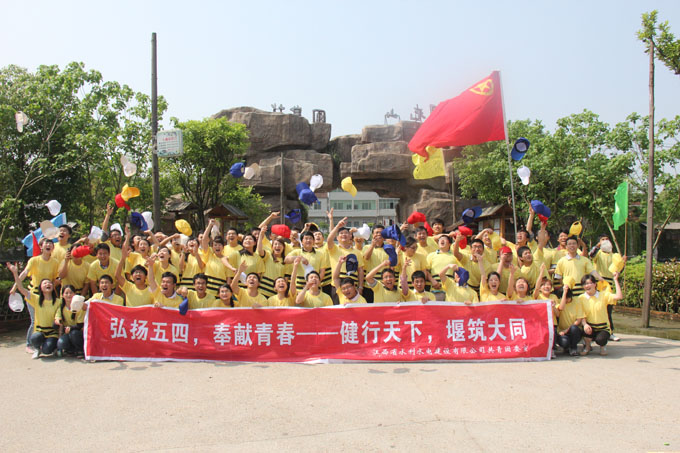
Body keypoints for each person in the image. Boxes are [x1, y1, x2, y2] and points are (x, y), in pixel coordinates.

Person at [13, 237, 59, 352]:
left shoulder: (55, 262)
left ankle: (45, 343)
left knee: (48, 320)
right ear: (41, 246)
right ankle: (29, 344)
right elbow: (25, 273)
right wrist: (14, 287)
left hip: (47, 296)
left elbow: (54, 280)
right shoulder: (34, 260)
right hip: (34, 294)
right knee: (34, 320)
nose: (48, 245)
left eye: (51, 244)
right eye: (46, 243)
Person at [8, 263, 61, 359]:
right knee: (35, 337)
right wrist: (15, 273)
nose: (48, 284)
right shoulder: (36, 299)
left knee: (47, 350)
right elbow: (21, 288)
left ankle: (51, 347)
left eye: (49, 283)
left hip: (52, 333)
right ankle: (37, 348)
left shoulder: (58, 302)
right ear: (40, 287)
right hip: (39, 331)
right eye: (45, 283)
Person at [579, 272, 623, 356]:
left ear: (595, 284)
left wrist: (616, 280)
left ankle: (603, 346)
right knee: (584, 331)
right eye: (585, 284)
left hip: (603, 327)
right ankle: (587, 347)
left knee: (600, 339)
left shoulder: (603, 295)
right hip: (590, 326)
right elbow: (581, 314)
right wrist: (585, 324)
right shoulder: (581, 298)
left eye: (589, 283)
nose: (587, 286)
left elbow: (619, 296)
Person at [115, 228, 154, 307]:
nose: (138, 274)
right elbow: (117, 275)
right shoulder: (129, 287)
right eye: (141, 244)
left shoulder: (153, 260)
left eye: (145, 244)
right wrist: (128, 236)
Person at [326, 217, 365, 296]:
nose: (343, 234)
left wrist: (360, 287)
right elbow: (329, 240)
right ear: (337, 238)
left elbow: (360, 270)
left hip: (353, 286)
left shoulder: (357, 252)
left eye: (346, 233)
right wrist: (337, 226)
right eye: (341, 233)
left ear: (350, 236)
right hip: (337, 285)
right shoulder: (334, 249)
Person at [200, 219, 236, 297]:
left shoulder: (227, 260)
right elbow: (204, 240)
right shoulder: (209, 254)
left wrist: (226, 293)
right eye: (215, 245)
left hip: (219, 292)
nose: (217, 247)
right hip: (207, 291)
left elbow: (228, 278)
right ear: (212, 247)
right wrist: (210, 225)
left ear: (223, 247)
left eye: (219, 245)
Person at [258, 226, 291, 298]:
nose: (277, 246)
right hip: (262, 291)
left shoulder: (286, 261)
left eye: (280, 244)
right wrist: (261, 234)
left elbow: (286, 279)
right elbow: (260, 250)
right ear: (272, 247)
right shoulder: (268, 255)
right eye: (275, 244)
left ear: (283, 247)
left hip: (275, 293)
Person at [55, 285, 85, 357]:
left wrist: (71, 328)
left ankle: (80, 350)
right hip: (67, 332)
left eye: (71, 293)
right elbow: (57, 318)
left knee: (74, 334)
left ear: (74, 294)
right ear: (62, 295)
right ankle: (71, 350)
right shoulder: (61, 308)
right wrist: (57, 321)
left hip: (78, 332)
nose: (69, 295)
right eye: (66, 293)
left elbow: (80, 325)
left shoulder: (79, 307)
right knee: (61, 343)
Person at [555, 285, 584, 356]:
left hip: (574, 331)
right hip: (562, 332)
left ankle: (574, 348)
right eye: (564, 298)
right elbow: (561, 308)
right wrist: (564, 293)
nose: (566, 300)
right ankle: (567, 347)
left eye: (567, 298)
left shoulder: (577, 302)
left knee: (574, 328)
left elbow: (578, 320)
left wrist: (566, 330)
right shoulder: (559, 302)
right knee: (565, 342)